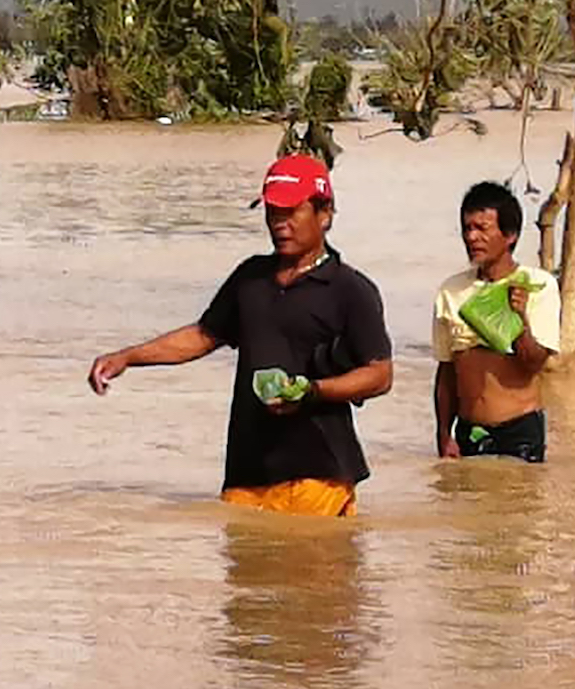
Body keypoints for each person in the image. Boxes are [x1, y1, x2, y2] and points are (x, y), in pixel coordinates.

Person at [86, 154, 394, 516]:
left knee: (308, 567)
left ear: (324, 214)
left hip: (318, 471)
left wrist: (312, 392)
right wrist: (126, 357)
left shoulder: (350, 290)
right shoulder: (251, 278)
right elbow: (203, 335)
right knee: (242, 569)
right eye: (273, 213)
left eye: (291, 212)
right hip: (246, 471)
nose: (280, 224)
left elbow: (379, 375)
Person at [432, 181, 561, 463]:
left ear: (510, 235)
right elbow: (446, 372)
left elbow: (534, 364)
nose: (472, 237)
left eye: (482, 228)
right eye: (467, 228)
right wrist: (443, 434)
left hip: (519, 430)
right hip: (469, 431)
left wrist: (519, 319)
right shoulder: (451, 292)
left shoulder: (538, 286)